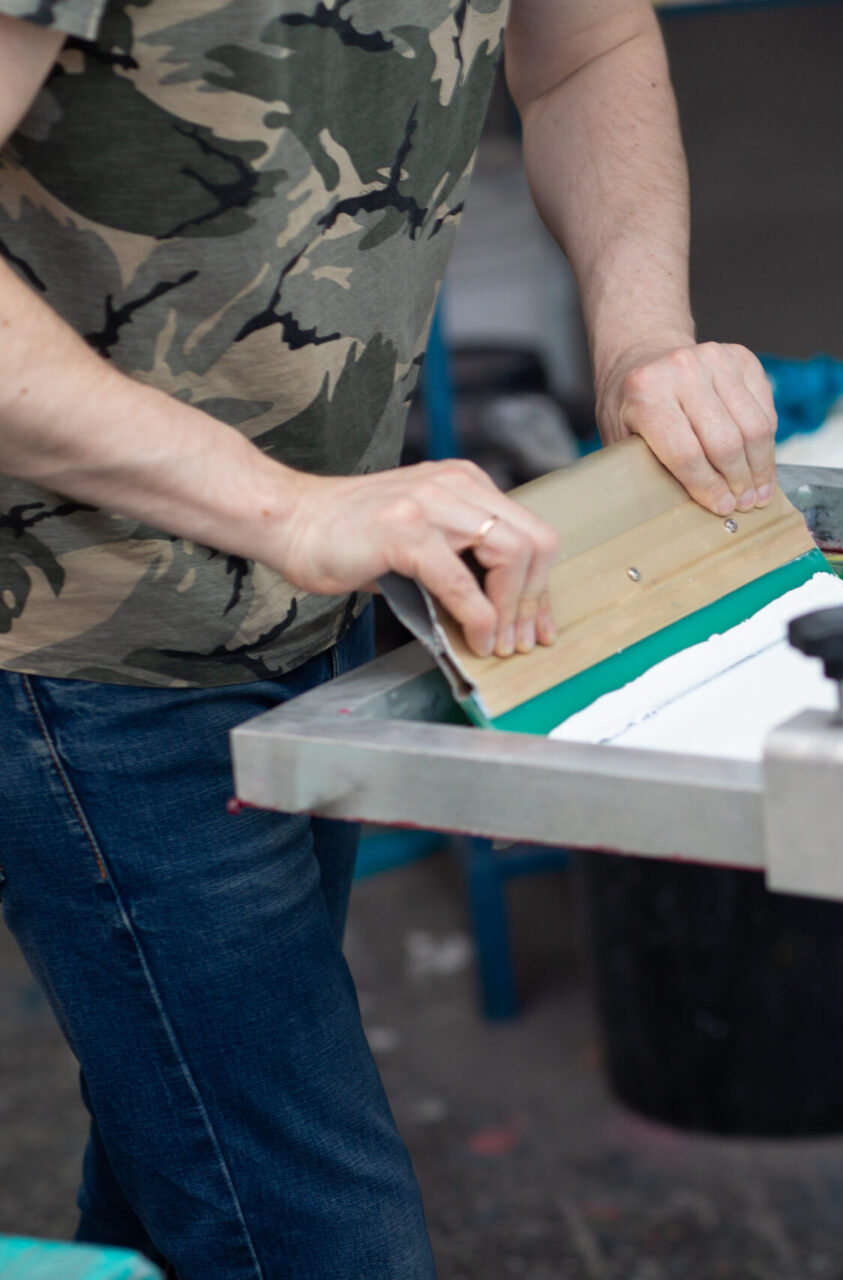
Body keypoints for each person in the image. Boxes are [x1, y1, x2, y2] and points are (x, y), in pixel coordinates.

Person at [0, 0, 773, 1269]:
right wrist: (284, 506)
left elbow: (587, 48)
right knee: (316, 1233)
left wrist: (645, 344)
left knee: (180, 1156)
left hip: (310, 584)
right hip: (87, 635)